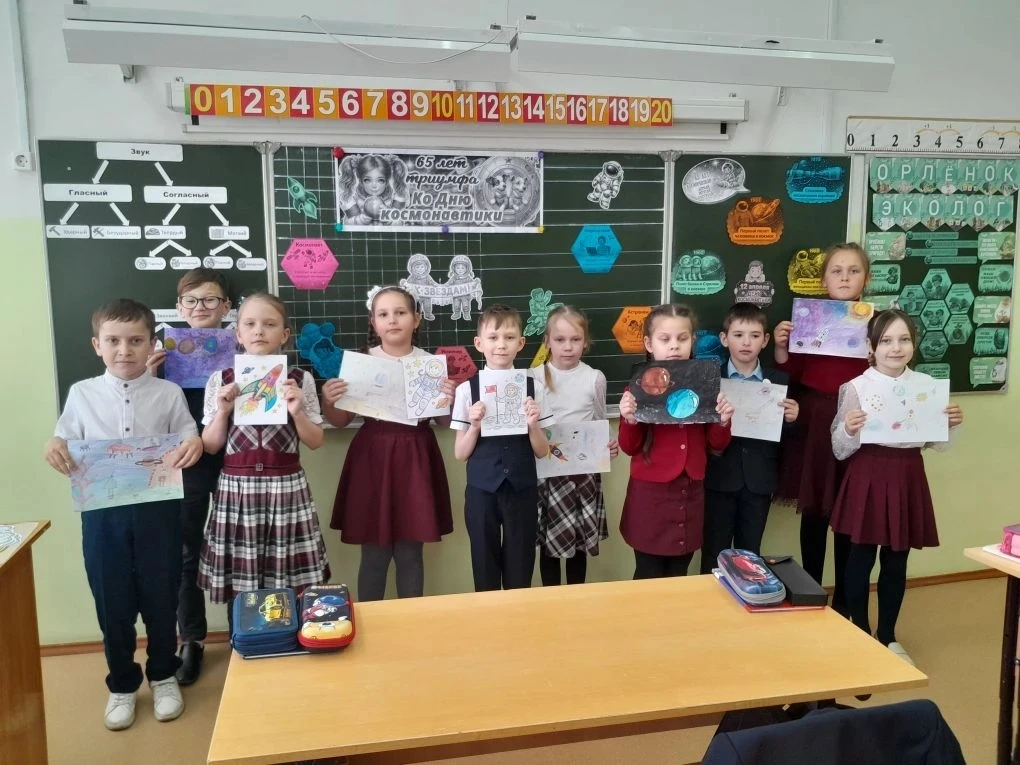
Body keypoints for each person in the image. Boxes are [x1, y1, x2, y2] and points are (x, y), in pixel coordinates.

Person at [44, 299, 203, 730]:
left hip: (158, 511)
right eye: (113, 341)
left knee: (161, 594)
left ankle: (164, 674)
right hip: (102, 515)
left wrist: (193, 443)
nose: (124, 350)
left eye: (135, 341)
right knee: (111, 598)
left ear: (151, 343)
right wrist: (54, 445)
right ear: (97, 345)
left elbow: (189, 433)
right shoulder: (82, 393)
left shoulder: (168, 393)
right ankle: (122, 683)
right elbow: (62, 437)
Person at [830, 309, 963, 666]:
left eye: (904, 339)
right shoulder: (856, 387)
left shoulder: (926, 386)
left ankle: (887, 635)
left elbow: (937, 443)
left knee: (897, 559)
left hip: (907, 474)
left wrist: (950, 424)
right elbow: (839, 448)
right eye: (886, 340)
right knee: (860, 557)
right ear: (871, 347)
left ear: (914, 345)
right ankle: (859, 629)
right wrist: (849, 429)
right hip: (868, 474)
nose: (896, 348)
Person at [197, 293, 330, 624]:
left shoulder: (300, 379)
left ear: (284, 334)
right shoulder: (221, 380)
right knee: (241, 579)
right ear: (238, 334)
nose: (259, 331)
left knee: (287, 574)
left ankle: (284, 636)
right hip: (237, 488)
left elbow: (315, 441)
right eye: (250, 324)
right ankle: (242, 640)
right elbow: (210, 445)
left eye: (269, 324)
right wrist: (223, 411)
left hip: (286, 486)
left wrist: (297, 411)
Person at [323, 286, 454, 601]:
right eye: (383, 314)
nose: (392, 320)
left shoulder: (429, 364)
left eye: (400, 313)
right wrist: (328, 400)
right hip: (373, 458)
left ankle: (411, 621)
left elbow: (444, 423)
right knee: (374, 553)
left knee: (410, 552)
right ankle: (370, 620)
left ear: (416, 319)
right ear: (374, 322)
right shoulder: (362, 363)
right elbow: (339, 421)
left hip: (416, 458)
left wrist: (448, 399)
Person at [773, 243, 871, 612]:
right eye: (836, 271)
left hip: (856, 421)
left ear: (866, 279)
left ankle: (846, 600)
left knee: (849, 512)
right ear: (823, 279)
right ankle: (811, 592)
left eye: (853, 271)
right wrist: (782, 346)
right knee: (815, 510)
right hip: (814, 422)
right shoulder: (809, 320)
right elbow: (793, 373)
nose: (845, 278)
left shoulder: (877, 323)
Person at [145, 267, 232, 686]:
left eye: (210, 299)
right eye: (191, 301)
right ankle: (192, 640)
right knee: (186, 552)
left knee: (237, 549)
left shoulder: (243, 346)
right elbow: (146, 418)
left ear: (226, 307)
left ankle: (241, 631)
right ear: (179, 308)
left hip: (235, 457)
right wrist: (149, 377)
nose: (201, 307)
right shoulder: (160, 355)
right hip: (183, 460)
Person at [618, 304, 734, 579]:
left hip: (689, 491)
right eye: (665, 339)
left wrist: (723, 421)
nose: (674, 346)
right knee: (648, 572)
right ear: (649, 344)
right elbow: (630, 447)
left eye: (682, 339)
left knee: (679, 572)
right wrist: (629, 419)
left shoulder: (706, 384)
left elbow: (716, 444)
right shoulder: (638, 387)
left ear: (692, 341)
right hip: (651, 494)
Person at [450, 304, 552, 591]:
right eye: (493, 337)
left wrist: (533, 424)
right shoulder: (466, 390)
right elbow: (460, 454)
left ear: (520, 343)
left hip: (522, 487)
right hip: (482, 489)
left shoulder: (534, 387)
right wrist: (474, 425)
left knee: (520, 562)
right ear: (479, 343)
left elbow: (542, 450)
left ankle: (518, 614)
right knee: (484, 560)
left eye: (509, 337)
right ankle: (488, 614)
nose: (501, 345)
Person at [701, 303, 799, 573]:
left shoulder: (779, 380)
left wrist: (791, 420)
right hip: (719, 479)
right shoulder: (711, 379)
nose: (746, 342)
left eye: (755, 336)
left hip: (759, 481)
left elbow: (784, 437)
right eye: (738, 335)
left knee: (750, 554)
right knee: (713, 551)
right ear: (724, 339)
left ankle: (747, 596)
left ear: (765, 340)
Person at [536, 306, 618, 585]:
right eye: (560, 340)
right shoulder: (533, 377)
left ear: (586, 342)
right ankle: (550, 601)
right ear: (547, 341)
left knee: (578, 544)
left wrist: (608, 447)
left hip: (582, 476)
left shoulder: (594, 378)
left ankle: (576, 598)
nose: (568, 347)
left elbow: (599, 422)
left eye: (575, 339)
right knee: (548, 547)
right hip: (546, 476)